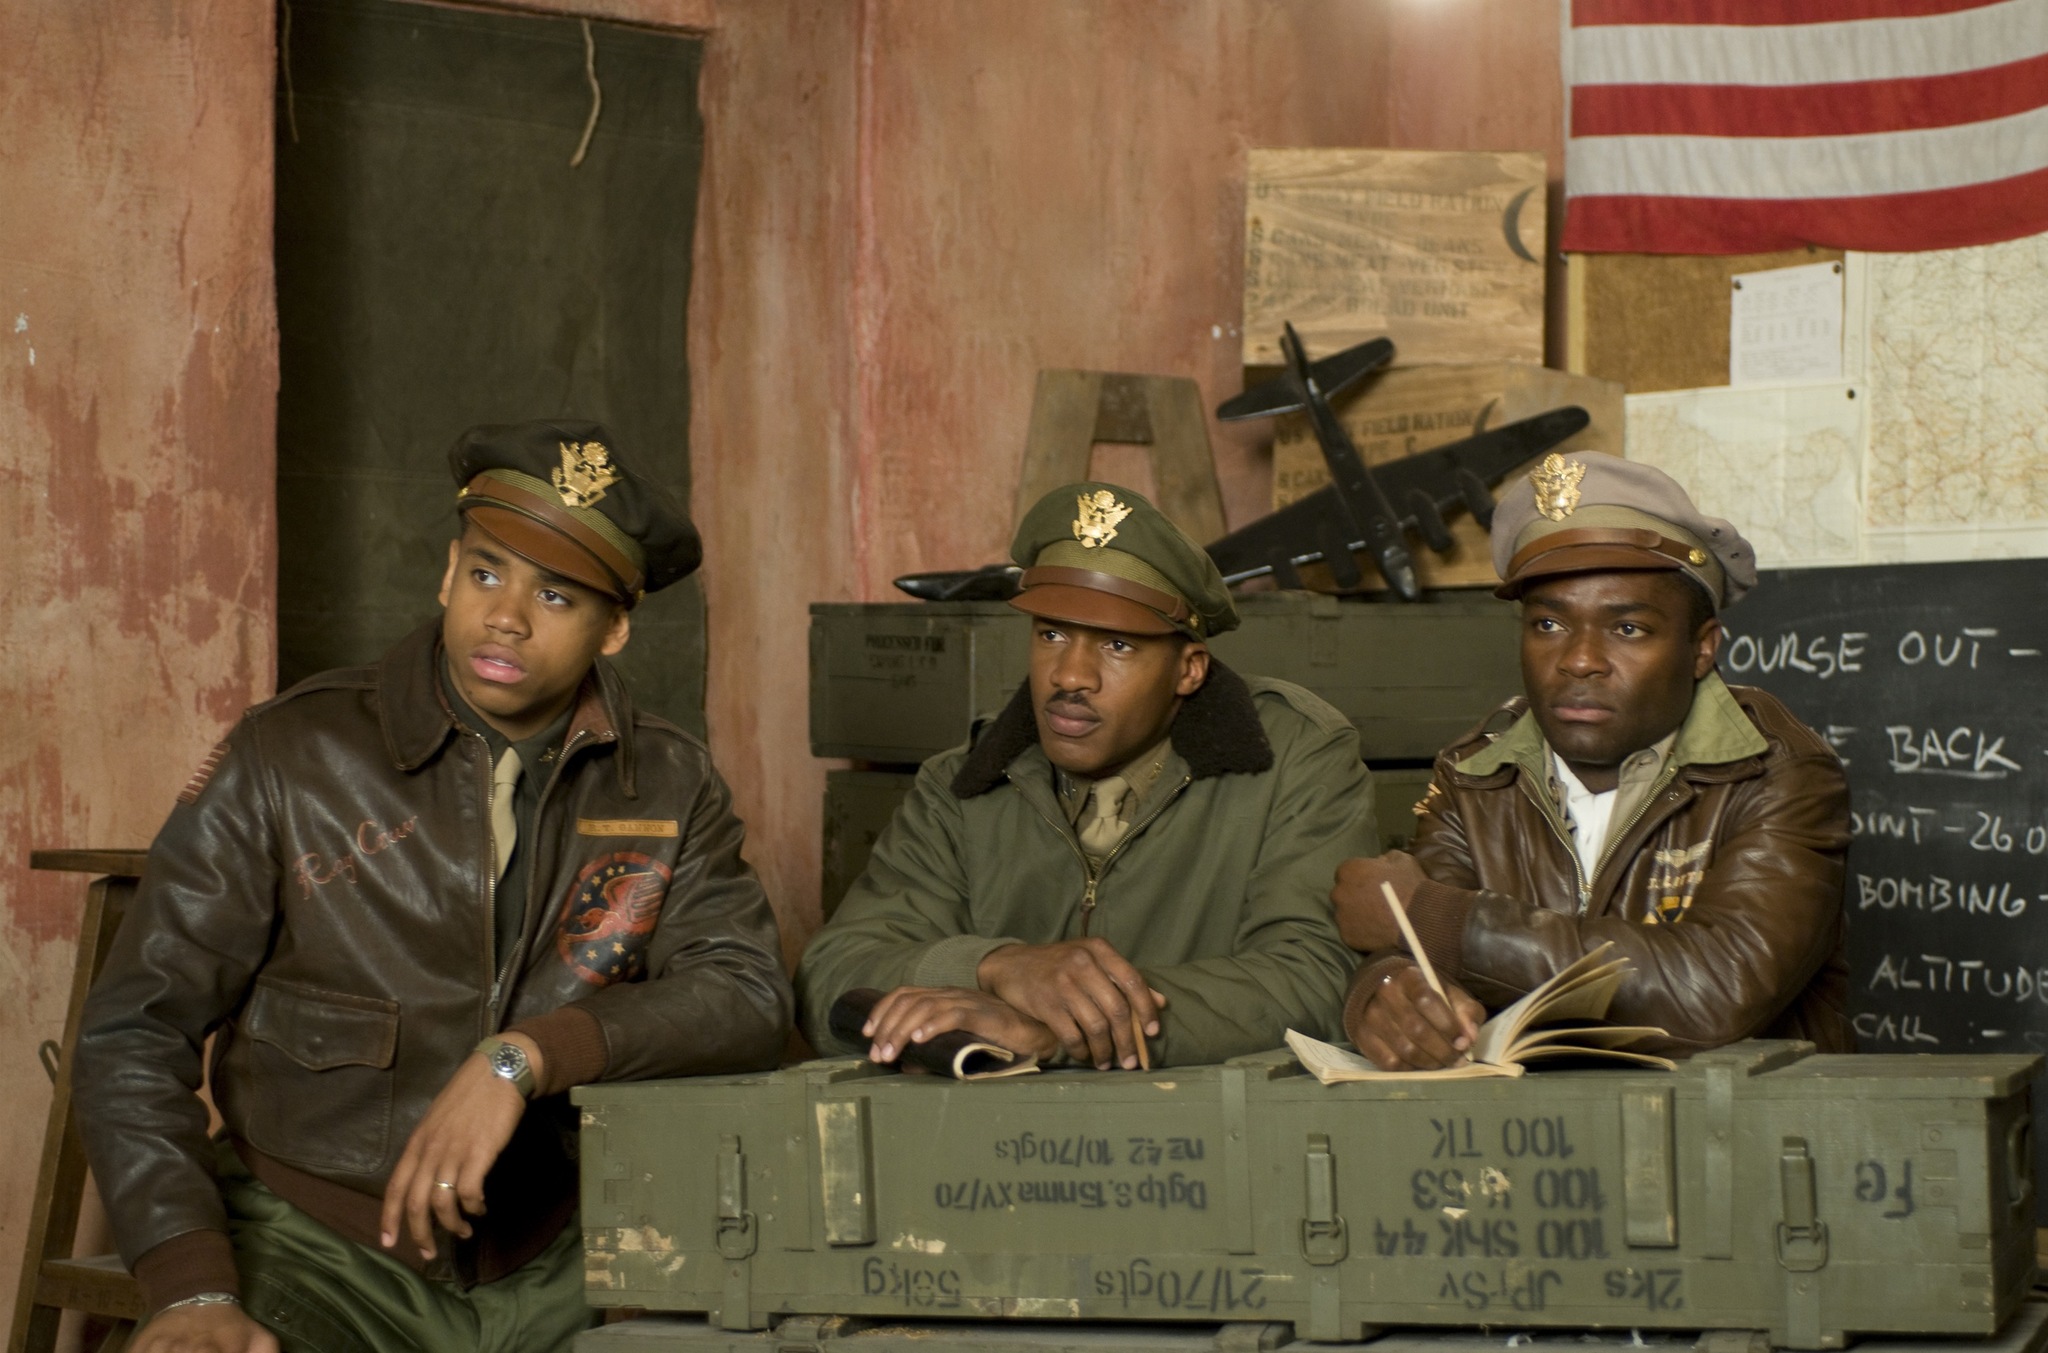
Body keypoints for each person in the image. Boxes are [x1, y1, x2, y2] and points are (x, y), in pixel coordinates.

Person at [73, 421, 793, 1353]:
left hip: (574, 1256)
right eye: (488, 574)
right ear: (449, 572)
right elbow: (135, 1028)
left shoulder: (668, 780)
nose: (507, 617)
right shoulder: (290, 753)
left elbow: (745, 992)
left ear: (614, 627)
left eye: (558, 595)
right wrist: (188, 1284)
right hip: (316, 1251)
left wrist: (526, 1055)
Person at [796, 482, 1375, 1071]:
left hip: (1212, 1135)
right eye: (1051, 634)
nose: (1070, 675)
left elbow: (1318, 980)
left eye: (1118, 645)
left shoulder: (1294, 757)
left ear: (1189, 671)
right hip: (993, 1141)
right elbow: (831, 974)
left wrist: (1059, 1027)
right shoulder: (962, 784)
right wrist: (996, 967)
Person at [1332, 451, 1851, 1071]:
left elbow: (1714, 987)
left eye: (1627, 629)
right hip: (1537, 1143)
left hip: (1734, 1140)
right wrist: (1385, 994)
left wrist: (1434, 918)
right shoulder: (1475, 774)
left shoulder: (1777, 772)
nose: (1579, 660)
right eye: (1549, 623)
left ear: (1701, 649)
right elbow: (1412, 955)